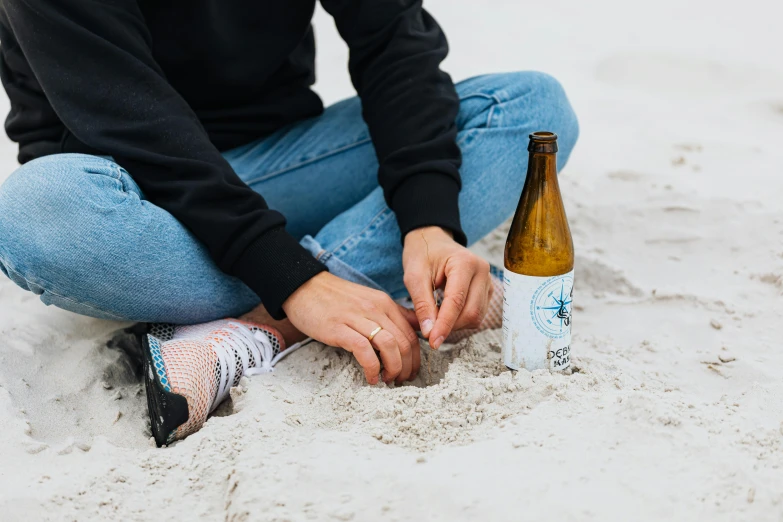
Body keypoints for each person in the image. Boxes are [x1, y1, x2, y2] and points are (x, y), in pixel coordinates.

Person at [0, 0, 578, 445]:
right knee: (34, 214)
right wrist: (293, 279)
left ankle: (265, 325)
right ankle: (329, 287)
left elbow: (394, 41)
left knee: (532, 110)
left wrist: (430, 223)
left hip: (283, 165)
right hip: (130, 187)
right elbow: (125, 114)